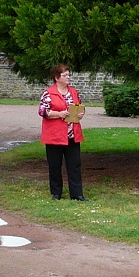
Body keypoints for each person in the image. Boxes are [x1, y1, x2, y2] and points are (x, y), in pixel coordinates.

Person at [39, 64, 86, 201]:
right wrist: (59, 114)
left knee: (75, 165)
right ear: (56, 77)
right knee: (55, 165)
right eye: (65, 75)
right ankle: (56, 193)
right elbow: (42, 111)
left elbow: (80, 106)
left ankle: (77, 194)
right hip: (55, 135)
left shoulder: (73, 92)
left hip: (72, 135)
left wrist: (81, 113)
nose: (68, 77)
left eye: (68, 75)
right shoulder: (48, 93)